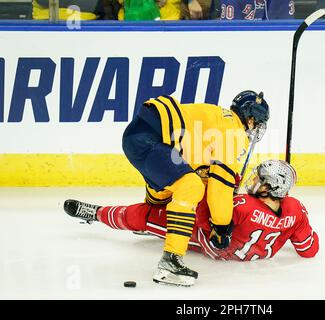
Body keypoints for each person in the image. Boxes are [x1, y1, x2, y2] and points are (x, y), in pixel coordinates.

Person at [78, 91, 268, 286]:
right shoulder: (235, 133)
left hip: (141, 136)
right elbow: (220, 188)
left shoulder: (217, 115)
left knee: (170, 187)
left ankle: (151, 209)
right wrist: (221, 226)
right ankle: (170, 262)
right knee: (191, 187)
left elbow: (192, 157)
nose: (255, 129)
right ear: (250, 118)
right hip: (151, 140)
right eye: (258, 122)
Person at [64, 160, 319, 279]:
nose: (253, 181)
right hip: (249, 251)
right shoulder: (296, 210)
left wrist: (206, 182)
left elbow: (200, 218)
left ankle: (97, 213)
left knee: (145, 215)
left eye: (259, 180)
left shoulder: (241, 206)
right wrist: (282, 230)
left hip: (208, 244)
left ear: (269, 188)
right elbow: (309, 250)